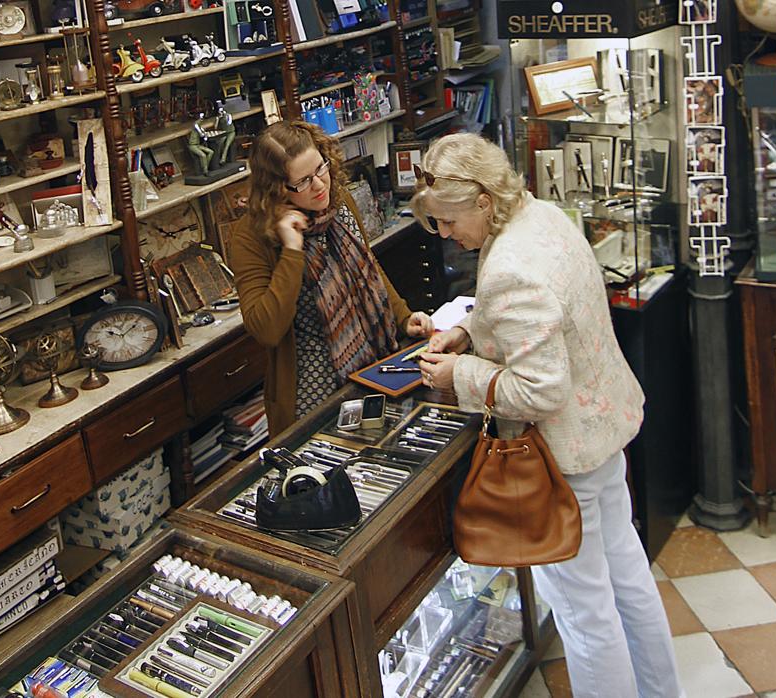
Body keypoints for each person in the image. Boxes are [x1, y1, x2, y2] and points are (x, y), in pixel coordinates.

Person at [414, 133, 681, 698]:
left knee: (585, 616)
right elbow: (546, 318)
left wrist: (457, 375)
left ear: (483, 200)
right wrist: (469, 331)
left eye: (447, 220)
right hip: (603, 433)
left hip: (565, 459)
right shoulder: (539, 214)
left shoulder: (510, 266)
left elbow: (539, 390)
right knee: (629, 579)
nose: (445, 235)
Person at [230, 121, 433, 435]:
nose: (319, 185)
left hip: (373, 368)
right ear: (277, 187)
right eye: (303, 181)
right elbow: (266, 329)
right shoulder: (251, 237)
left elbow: (369, 268)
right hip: (313, 392)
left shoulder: (338, 203)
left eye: (320, 168)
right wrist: (292, 249)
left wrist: (403, 316)